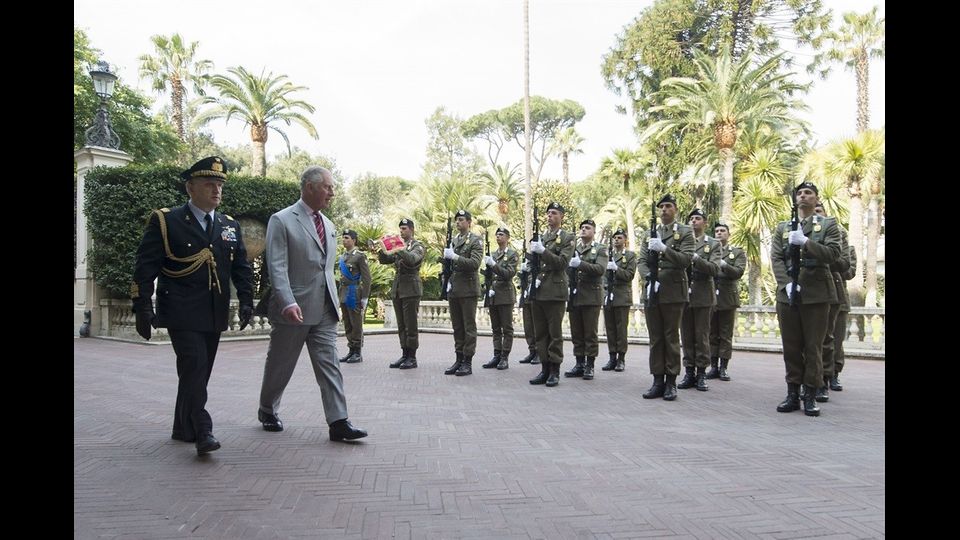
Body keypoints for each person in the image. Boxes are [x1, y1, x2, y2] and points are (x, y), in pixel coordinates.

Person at [131, 156, 254, 455]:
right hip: (181, 310)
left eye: (220, 184)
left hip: (214, 310)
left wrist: (248, 300)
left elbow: (241, 267)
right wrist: (143, 307)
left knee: (197, 372)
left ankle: (182, 427)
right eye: (210, 184)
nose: (217, 190)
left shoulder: (228, 225)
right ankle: (202, 429)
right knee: (194, 365)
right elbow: (145, 267)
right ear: (190, 188)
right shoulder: (166, 221)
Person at [256, 166, 367, 441]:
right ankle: (267, 409)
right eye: (328, 187)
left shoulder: (329, 225)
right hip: (293, 309)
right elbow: (277, 266)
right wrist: (286, 301)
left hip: (325, 308)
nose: (332, 192)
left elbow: (325, 268)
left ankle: (339, 421)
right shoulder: (281, 220)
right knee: (281, 364)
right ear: (309, 187)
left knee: (329, 364)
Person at [771, 182, 841, 417]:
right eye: (799, 193)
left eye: (808, 193)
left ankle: (810, 393)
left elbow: (833, 255)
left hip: (816, 294)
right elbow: (777, 259)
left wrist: (806, 243)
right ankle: (792, 393)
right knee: (790, 347)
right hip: (788, 294)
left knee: (813, 347)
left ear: (816, 198)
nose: (803, 196)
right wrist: (786, 283)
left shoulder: (828, 224)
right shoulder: (782, 227)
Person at [637, 194, 695, 401]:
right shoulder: (648, 234)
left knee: (670, 337)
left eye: (668, 206)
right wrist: (649, 278)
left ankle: (671, 381)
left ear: (675, 209)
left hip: (673, 291)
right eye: (661, 207)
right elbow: (642, 261)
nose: (664, 210)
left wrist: (664, 248)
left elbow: (686, 260)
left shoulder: (686, 232)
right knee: (655, 338)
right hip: (653, 290)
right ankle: (657, 380)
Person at [528, 202, 575, 387]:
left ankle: (555, 370)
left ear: (561, 216)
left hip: (555, 291)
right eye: (548, 213)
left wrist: (543, 251)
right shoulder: (542, 237)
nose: (549, 216)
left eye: (554, 213)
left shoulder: (567, 237)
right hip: (539, 290)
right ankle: (544, 368)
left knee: (554, 333)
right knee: (540, 333)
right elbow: (535, 263)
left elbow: (562, 263)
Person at [678, 208, 721, 392]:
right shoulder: (681, 242)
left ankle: (702, 372)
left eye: (698, 218)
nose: (694, 221)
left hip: (703, 294)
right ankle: (689, 371)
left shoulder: (713, 244)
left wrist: (697, 258)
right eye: (691, 218)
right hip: (684, 294)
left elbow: (714, 269)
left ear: (705, 222)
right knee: (686, 335)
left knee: (702, 336)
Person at [813, 203, 852, 402]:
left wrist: (821, 253)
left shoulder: (838, 235)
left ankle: (831, 374)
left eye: (819, 212)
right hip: (811, 292)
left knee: (833, 339)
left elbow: (847, 268)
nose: (816, 214)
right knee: (814, 340)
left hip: (835, 292)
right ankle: (814, 378)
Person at [378, 218, 425, 369]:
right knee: (401, 325)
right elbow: (386, 259)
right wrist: (381, 248)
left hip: (411, 289)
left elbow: (412, 260)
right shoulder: (399, 247)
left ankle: (412, 356)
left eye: (404, 228)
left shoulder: (417, 246)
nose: (401, 231)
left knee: (410, 325)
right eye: (400, 229)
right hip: (398, 289)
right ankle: (404, 354)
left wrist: (399, 248)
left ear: (412, 230)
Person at [565, 219, 609, 380]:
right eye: (582, 227)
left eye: (587, 228)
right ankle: (579, 363)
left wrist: (580, 264)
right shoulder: (573, 249)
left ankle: (589, 365)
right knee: (576, 332)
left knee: (590, 333)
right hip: (575, 295)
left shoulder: (600, 249)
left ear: (594, 232)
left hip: (591, 296)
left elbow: (600, 269)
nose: (584, 230)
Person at [442, 210, 484, 376]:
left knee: (468, 327)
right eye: (456, 220)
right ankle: (458, 358)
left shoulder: (475, 240)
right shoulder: (454, 240)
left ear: (469, 222)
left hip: (468, 288)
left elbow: (474, 263)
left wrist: (455, 257)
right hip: (455, 288)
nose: (458, 223)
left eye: (461, 220)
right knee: (457, 326)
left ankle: (467, 361)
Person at [707, 222, 746, 381]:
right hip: (710, 296)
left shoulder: (736, 252)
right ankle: (713, 366)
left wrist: (724, 265)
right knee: (711, 334)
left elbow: (738, 272)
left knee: (725, 334)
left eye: (722, 231)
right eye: (716, 231)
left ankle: (723, 367)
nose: (719, 233)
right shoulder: (707, 250)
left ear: (728, 234)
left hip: (727, 298)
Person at [481, 227, 519, 370]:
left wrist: (494, 265)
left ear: (507, 238)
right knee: (495, 328)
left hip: (505, 294)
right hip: (494, 294)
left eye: (501, 235)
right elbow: (489, 276)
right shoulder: (494, 254)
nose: (498, 237)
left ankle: (504, 357)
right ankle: (496, 355)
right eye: (497, 235)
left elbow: (508, 274)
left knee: (507, 328)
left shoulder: (512, 254)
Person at [601, 227, 637, 373]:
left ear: (625, 241)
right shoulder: (607, 255)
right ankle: (612, 357)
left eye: (619, 238)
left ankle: (621, 358)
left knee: (621, 328)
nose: (616, 240)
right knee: (610, 328)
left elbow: (630, 275)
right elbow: (602, 275)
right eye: (615, 238)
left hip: (622, 295)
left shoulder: (629, 255)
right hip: (608, 294)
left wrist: (616, 269)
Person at [337, 229, 372, 364]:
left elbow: (367, 278)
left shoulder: (359, 256)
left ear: (354, 240)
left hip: (354, 291)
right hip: (344, 292)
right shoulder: (343, 257)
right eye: (343, 238)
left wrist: (364, 297)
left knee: (356, 323)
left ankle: (357, 352)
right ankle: (351, 350)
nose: (344, 240)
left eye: (346, 238)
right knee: (347, 322)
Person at [831, 219, 857, 392]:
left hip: (839, 298)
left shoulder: (848, 249)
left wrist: (832, 256)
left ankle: (834, 374)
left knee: (836, 339)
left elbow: (850, 272)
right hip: (815, 296)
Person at [517, 252, 540, 365]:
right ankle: (532, 351)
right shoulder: (528, 263)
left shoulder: (539, 259)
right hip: (526, 296)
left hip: (535, 295)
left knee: (536, 326)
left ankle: (539, 353)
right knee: (528, 326)